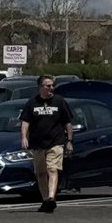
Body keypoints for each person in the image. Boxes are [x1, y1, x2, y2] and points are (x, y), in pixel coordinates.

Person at [20, 74, 74, 213]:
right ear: (40, 87)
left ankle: (51, 197)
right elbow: (25, 122)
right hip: (37, 144)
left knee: (52, 169)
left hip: (56, 142)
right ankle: (45, 200)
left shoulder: (59, 101)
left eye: (52, 85)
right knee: (40, 173)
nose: (51, 88)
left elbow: (68, 123)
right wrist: (24, 137)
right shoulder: (32, 103)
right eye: (48, 86)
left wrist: (69, 141)